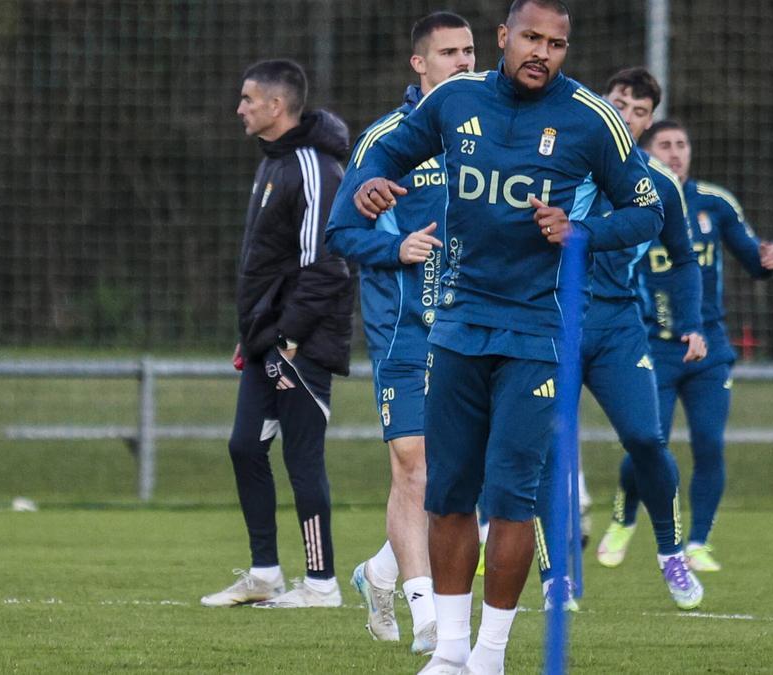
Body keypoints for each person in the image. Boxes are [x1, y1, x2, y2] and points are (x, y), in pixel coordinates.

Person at [331, 1, 667, 671]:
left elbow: (647, 207)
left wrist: (583, 232)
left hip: (537, 330)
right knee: (449, 493)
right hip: (457, 325)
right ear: (503, 38)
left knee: (512, 496)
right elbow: (393, 149)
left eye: (558, 43)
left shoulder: (589, 119)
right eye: (532, 37)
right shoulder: (457, 101)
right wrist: (371, 182)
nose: (543, 51)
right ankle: (450, 653)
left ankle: (491, 653)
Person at [325, 11, 474, 653]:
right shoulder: (386, 140)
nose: (463, 63)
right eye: (448, 53)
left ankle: (379, 571)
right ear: (420, 63)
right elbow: (341, 232)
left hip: (476, 326)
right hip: (403, 328)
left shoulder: (491, 133)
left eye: (470, 51)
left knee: (464, 477)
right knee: (412, 464)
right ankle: (428, 616)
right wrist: (398, 249)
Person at [536, 66, 707, 611]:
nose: (626, 115)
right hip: (549, 320)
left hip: (615, 327)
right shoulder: (563, 156)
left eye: (638, 110)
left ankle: (671, 552)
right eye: (618, 102)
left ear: (648, 120)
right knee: (538, 452)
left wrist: (692, 321)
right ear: (601, 102)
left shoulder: (659, 183)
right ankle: (554, 577)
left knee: (646, 439)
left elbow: (683, 259)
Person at [200, 59, 354, 609]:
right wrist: (254, 334)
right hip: (269, 340)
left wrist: (288, 338)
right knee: (245, 446)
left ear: (275, 106)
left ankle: (321, 584)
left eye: (247, 98)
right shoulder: (273, 164)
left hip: (301, 342)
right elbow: (269, 265)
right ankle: (265, 574)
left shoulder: (314, 167)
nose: (239, 107)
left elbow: (328, 265)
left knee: (302, 458)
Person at [610, 118, 773, 573]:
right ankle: (624, 513)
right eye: (664, 145)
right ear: (648, 153)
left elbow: (752, 256)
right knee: (649, 443)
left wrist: (766, 260)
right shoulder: (635, 201)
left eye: (682, 144)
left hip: (709, 347)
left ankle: (698, 543)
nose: (675, 153)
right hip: (653, 345)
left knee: (709, 443)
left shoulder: (714, 203)